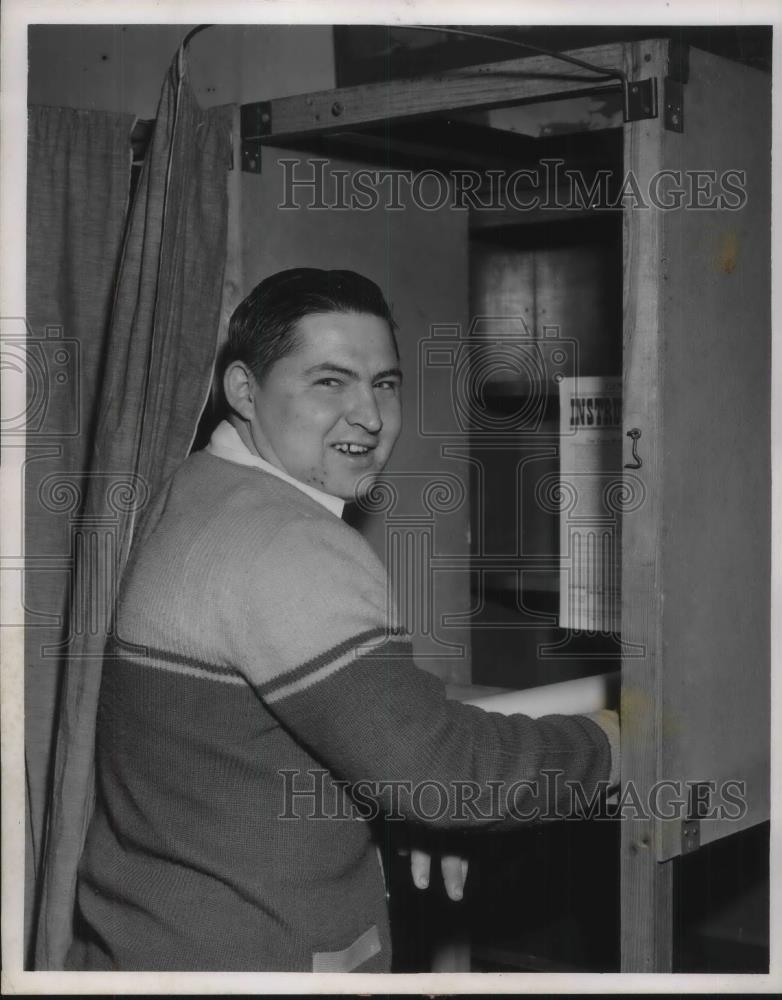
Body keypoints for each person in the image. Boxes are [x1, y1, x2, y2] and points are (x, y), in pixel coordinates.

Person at [66, 267, 618, 972]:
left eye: (384, 383)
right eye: (330, 382)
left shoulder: (195, 489)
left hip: (145, 946)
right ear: (243, 390)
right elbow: (444, 774)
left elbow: (344, 724)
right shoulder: (293, 541)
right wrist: (611, 742)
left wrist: (407, 787)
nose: (369, 415)